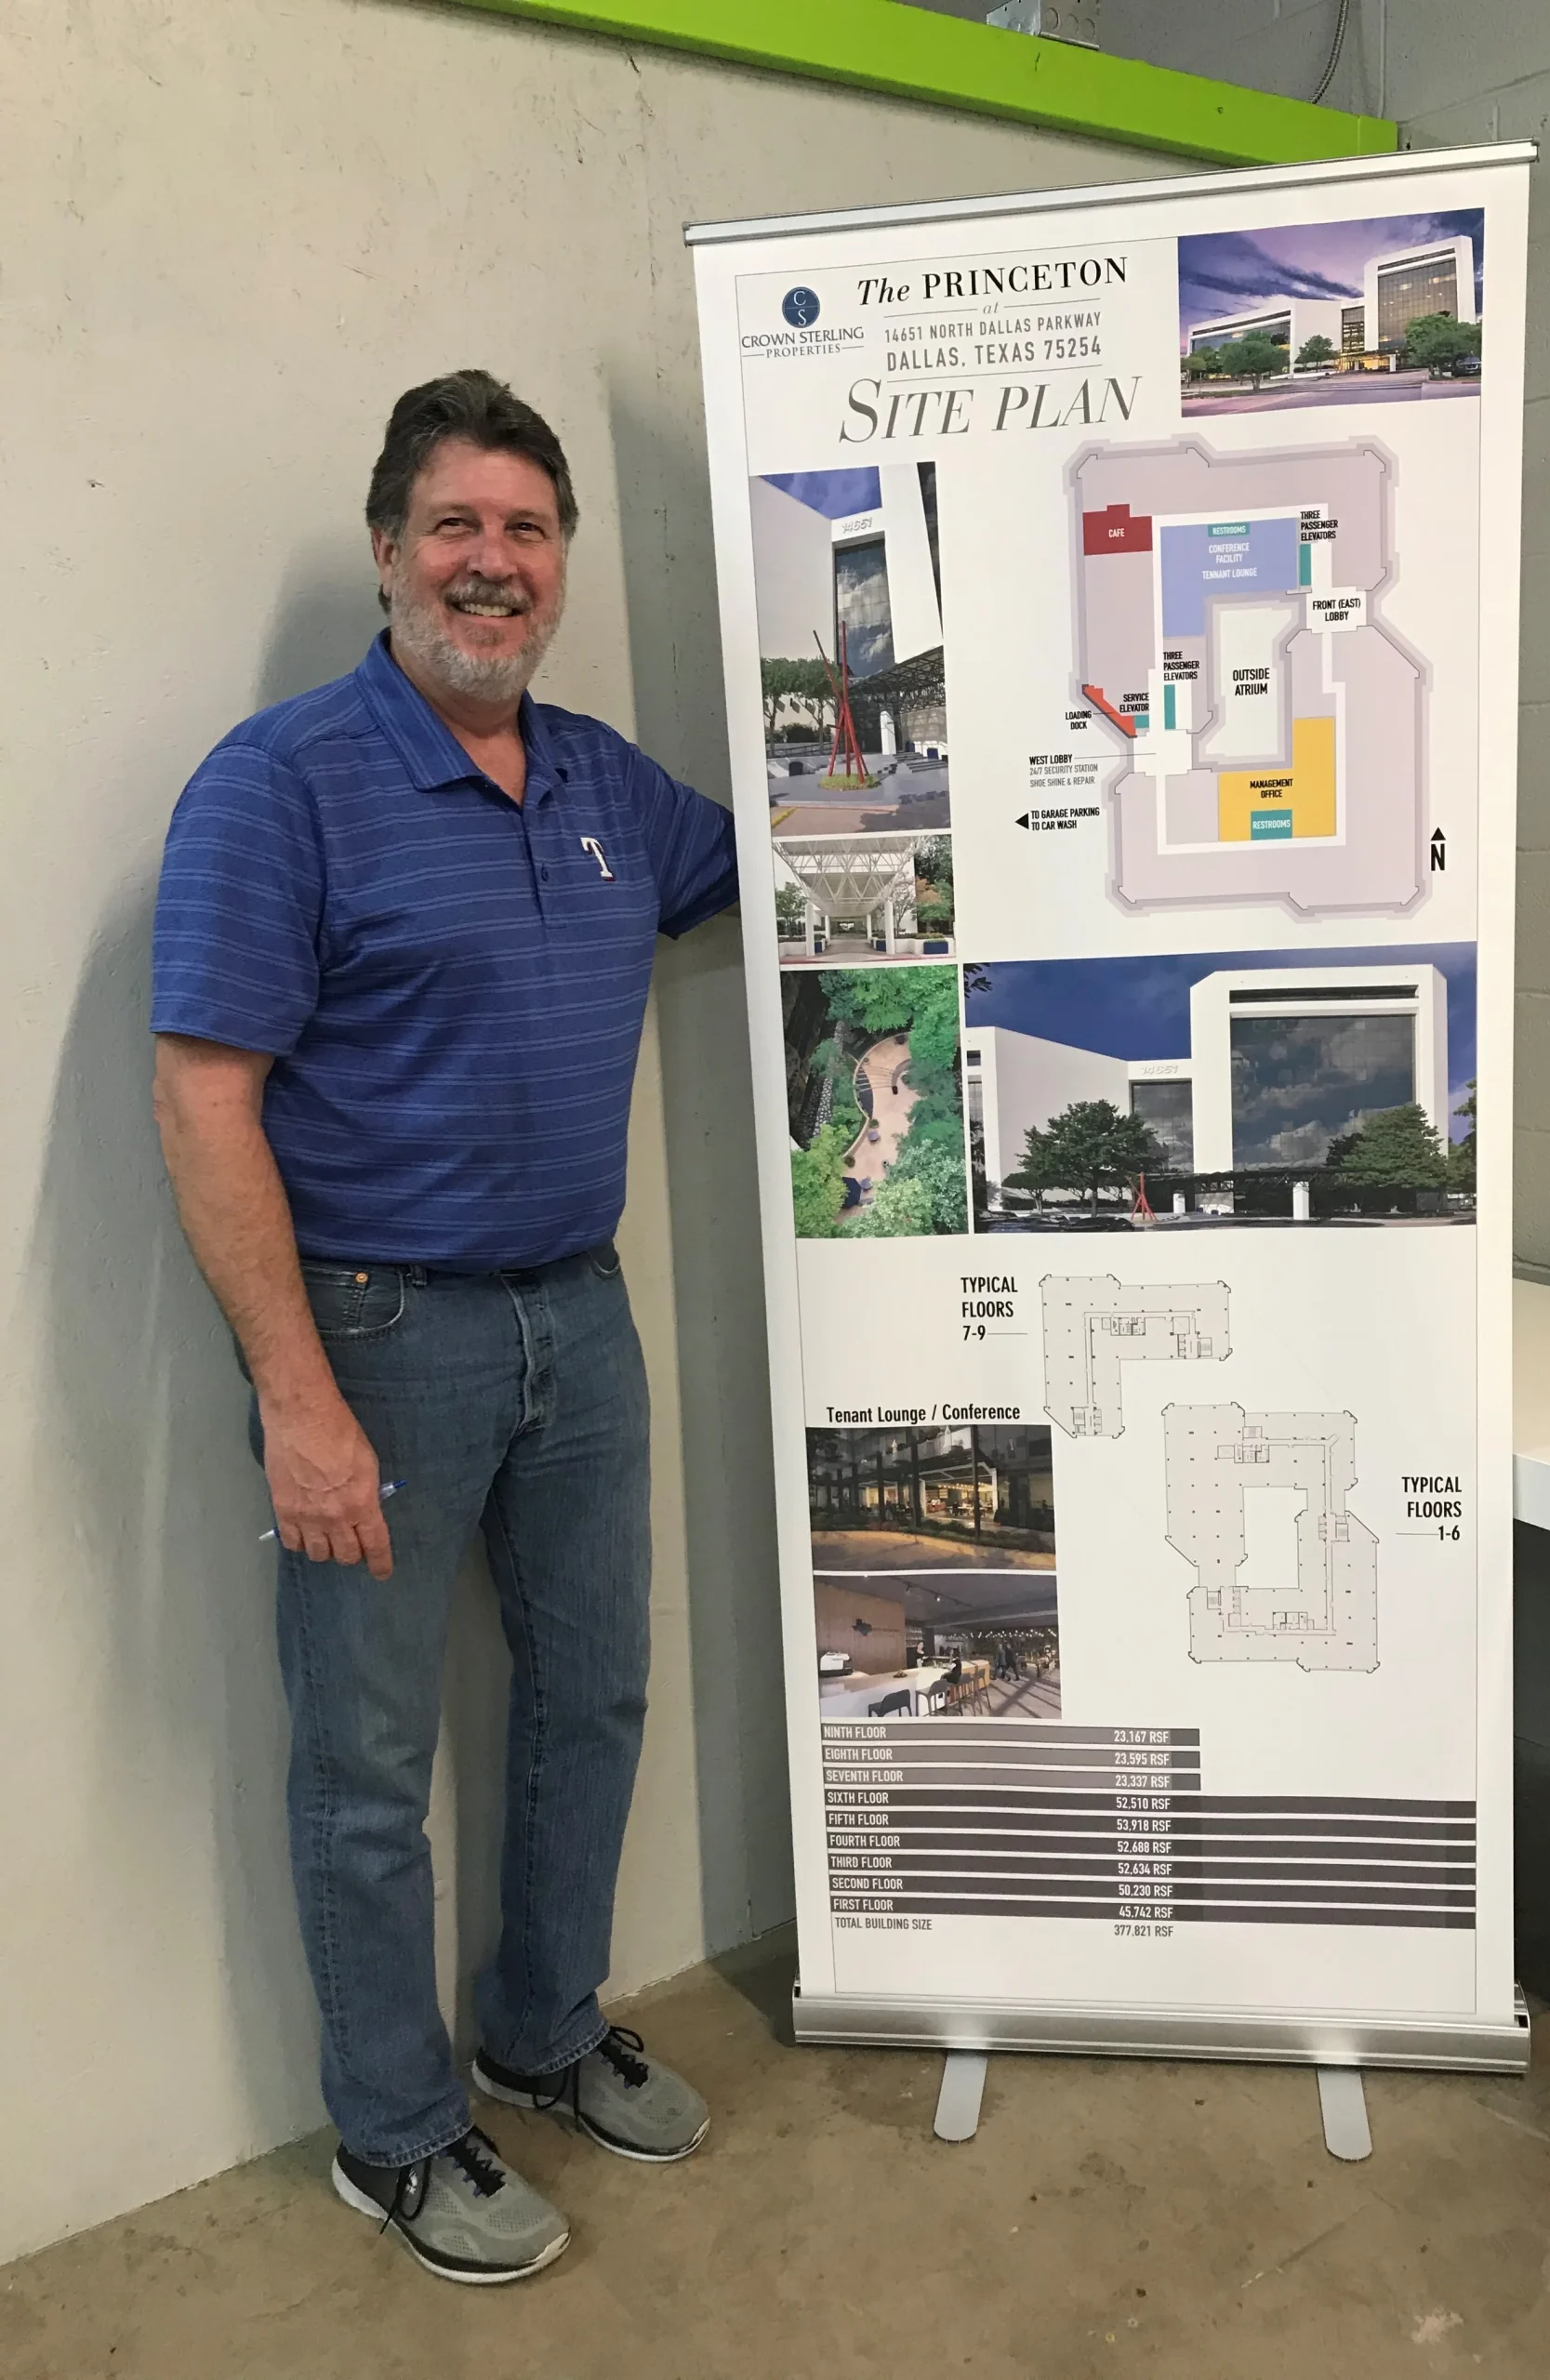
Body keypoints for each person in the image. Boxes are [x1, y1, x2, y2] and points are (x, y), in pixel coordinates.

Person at [151, 370, 738, 2286]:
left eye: (529, 531)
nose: (495, 564)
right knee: (366, 1760)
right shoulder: (282, 782)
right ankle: (397, 2133)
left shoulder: (599, 784)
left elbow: (808, 859)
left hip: (583, 1312)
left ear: (558, 567)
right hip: (381, 1334)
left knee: (592, 1695)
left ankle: (545, 2029)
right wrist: (297, 1398)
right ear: (393, 549)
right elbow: (205, 1092)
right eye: (459, 527)